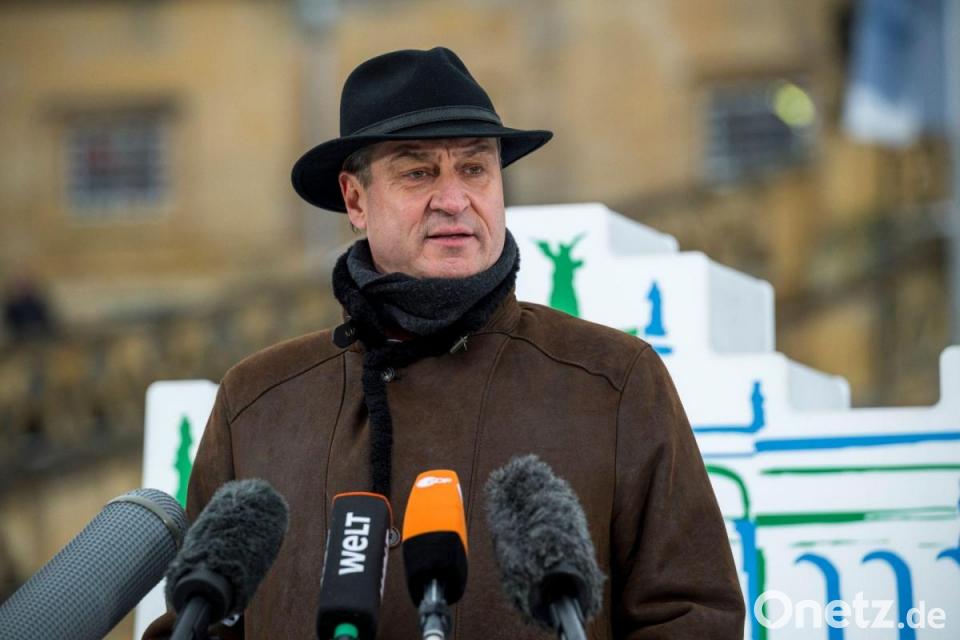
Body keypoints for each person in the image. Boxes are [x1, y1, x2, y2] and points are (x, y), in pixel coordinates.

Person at [145, 47, 744, 639]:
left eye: (475, 169)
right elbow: (197, 625)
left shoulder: (612, 380)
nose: (455, 200)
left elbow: (692, 617)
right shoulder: (258, 402)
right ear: (355, 200)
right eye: (418, 173)